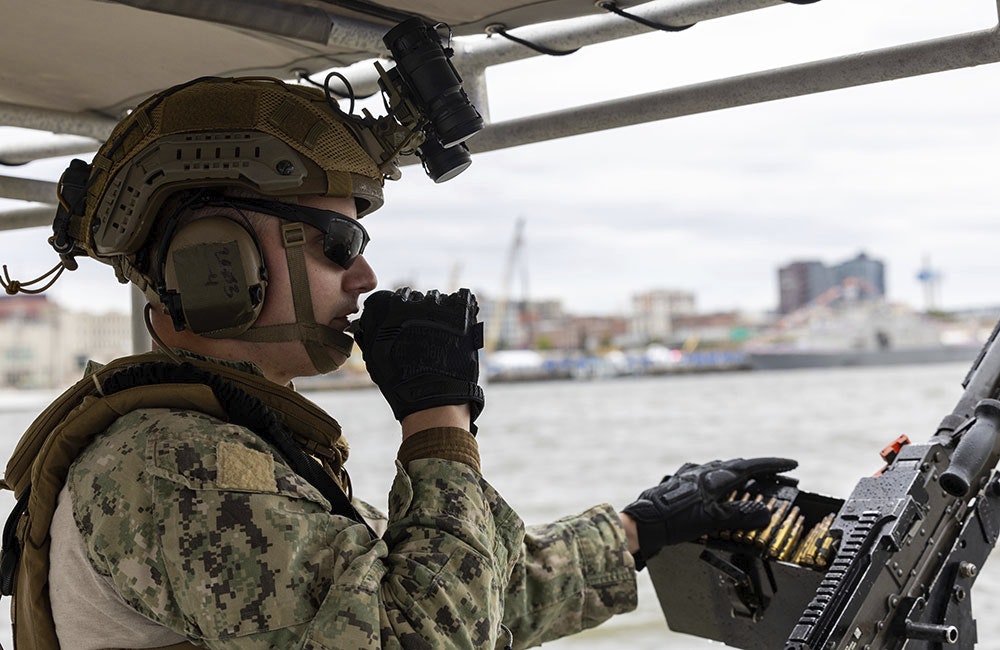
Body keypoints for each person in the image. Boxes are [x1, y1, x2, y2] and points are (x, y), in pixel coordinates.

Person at [0, 75, 795, 649]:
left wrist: (641, 525)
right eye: (339, 245)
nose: (366, 278)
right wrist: (436, 419)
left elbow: (464, 597)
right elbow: (424, 636)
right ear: (219, 261)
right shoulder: (173, 468)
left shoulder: (228, 448)